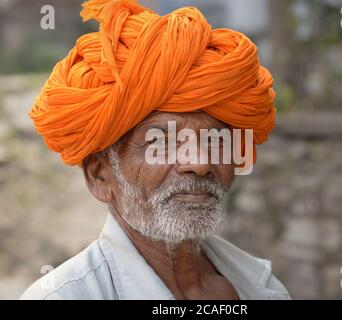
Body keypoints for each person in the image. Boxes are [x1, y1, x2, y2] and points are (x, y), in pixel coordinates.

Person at [20, 0, 290, 300]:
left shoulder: (262, 286)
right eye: (162, 142)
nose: (200, 163)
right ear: (100, 177)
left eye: (215, 140)